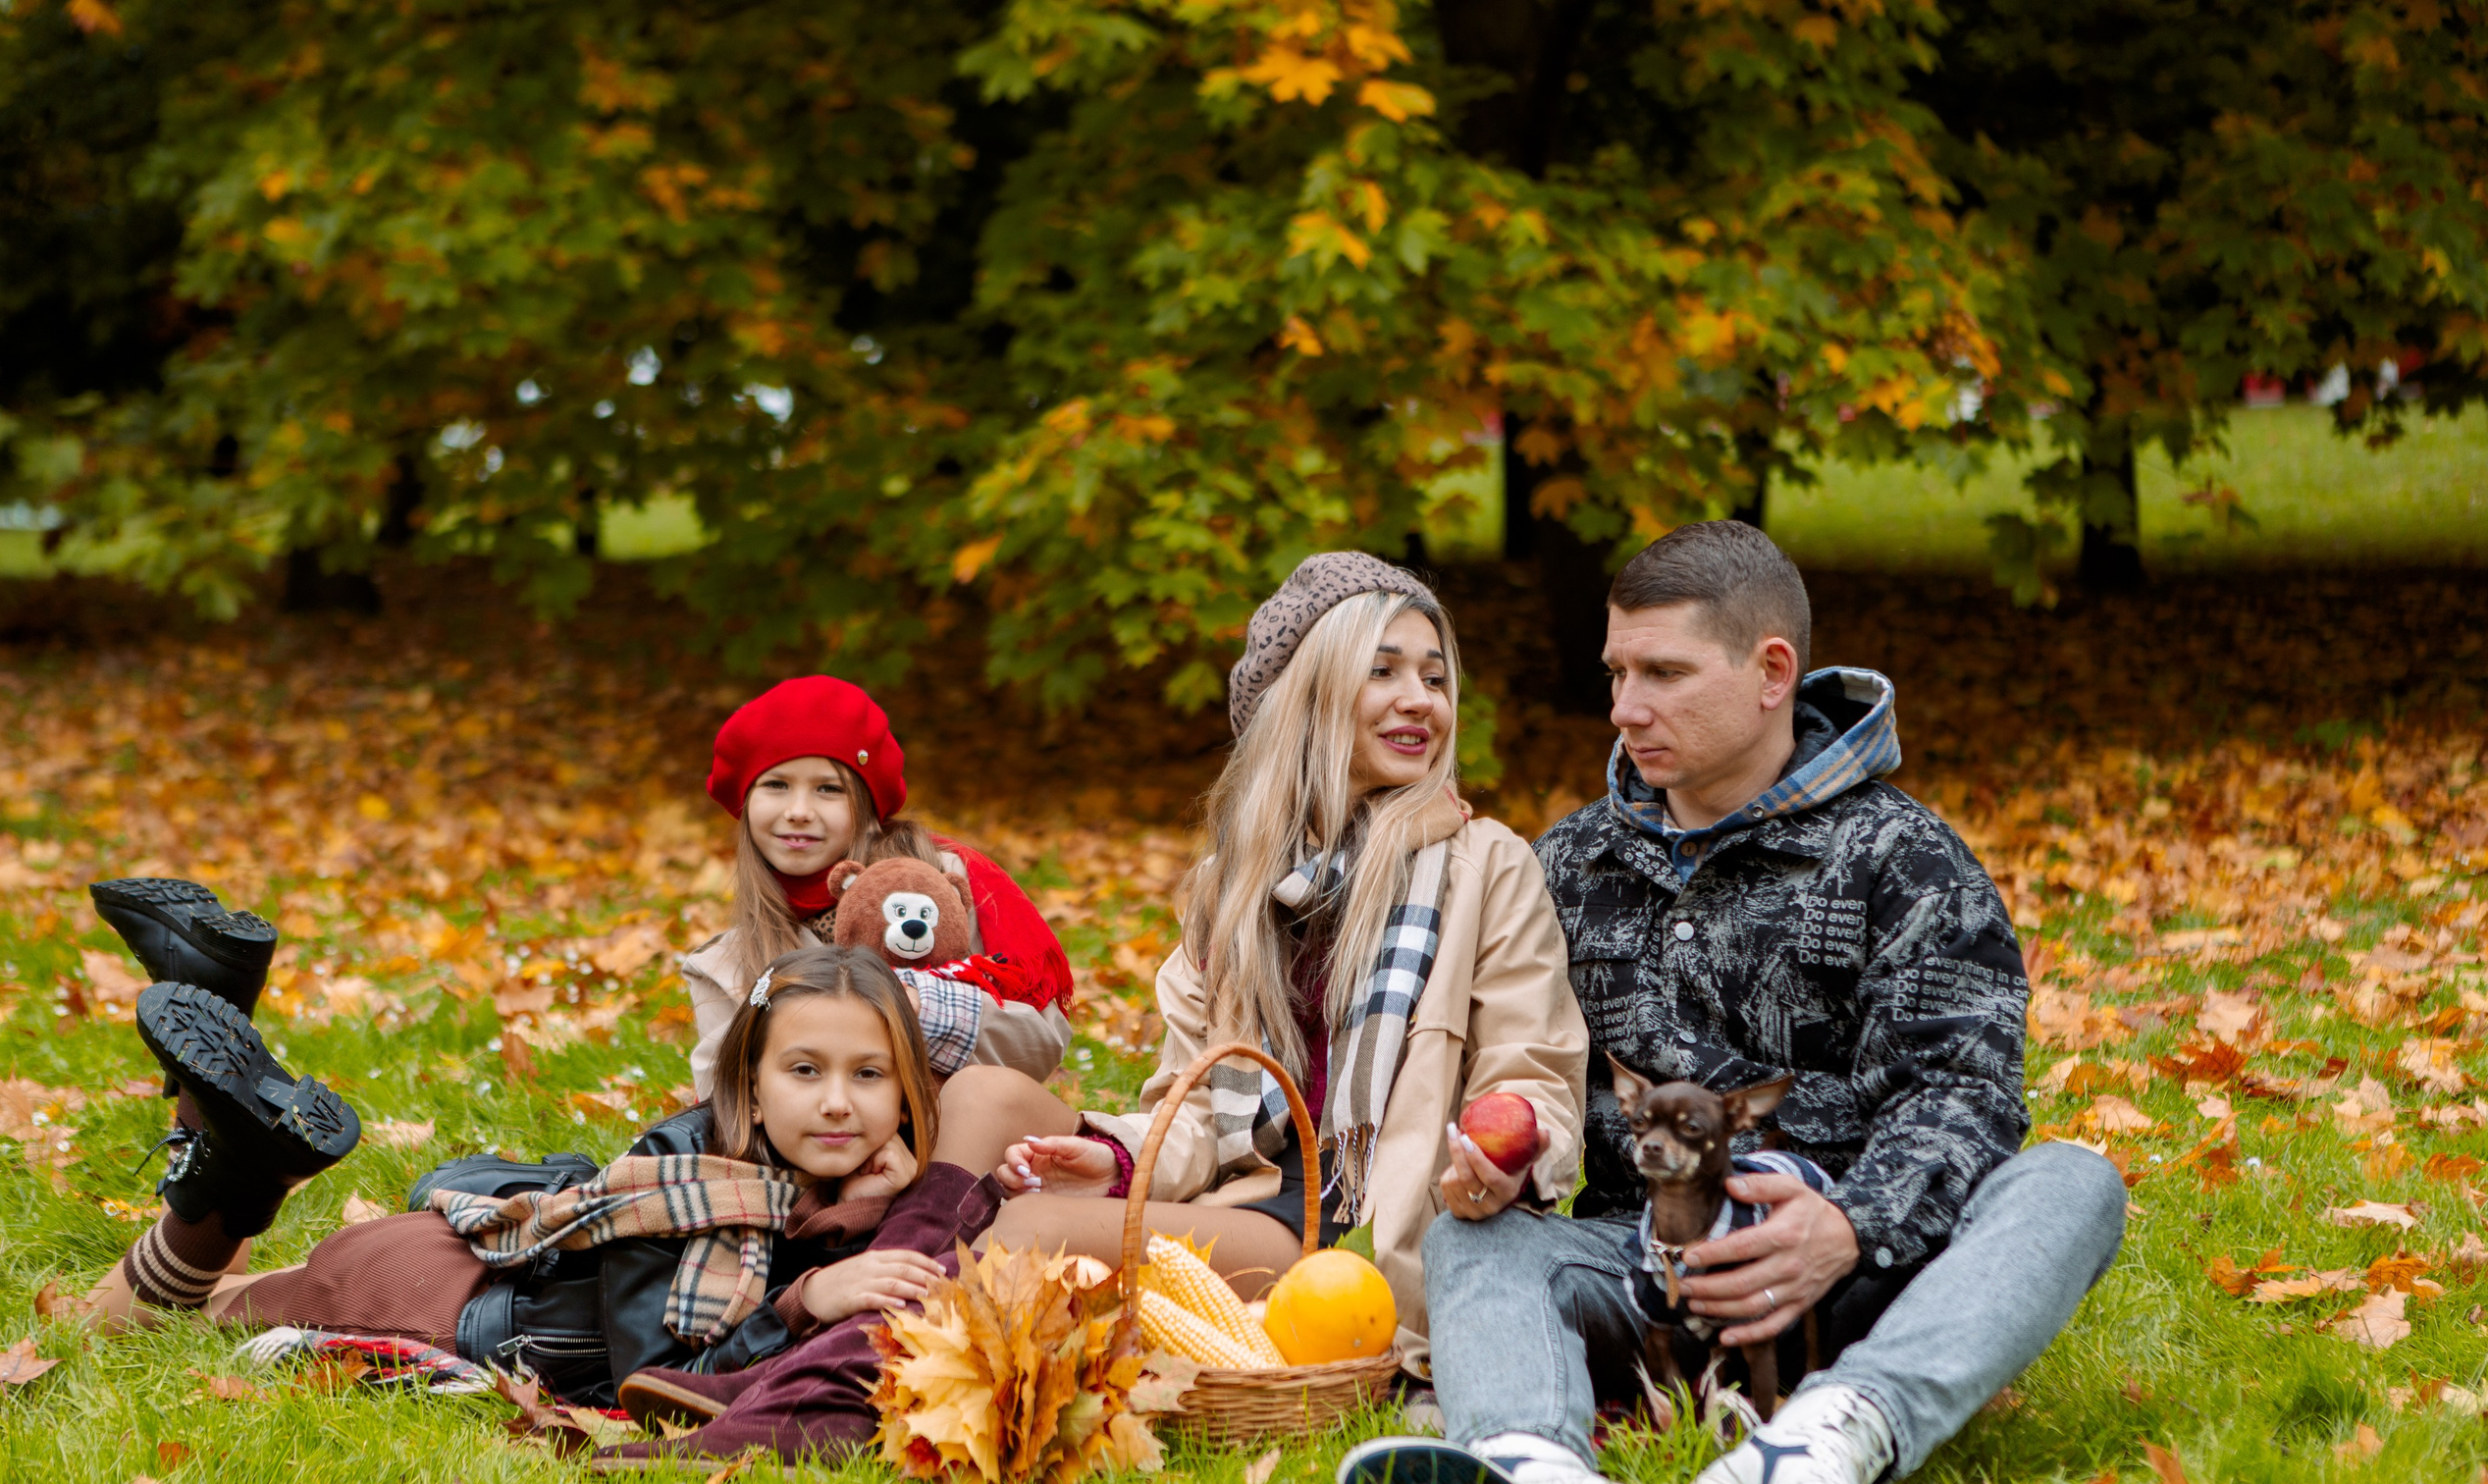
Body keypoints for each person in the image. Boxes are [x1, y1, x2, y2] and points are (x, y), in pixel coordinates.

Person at [1337, 520, 2126, 1484]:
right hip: (1642, 1273)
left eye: (1664, 673)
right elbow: (1530, 1077)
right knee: (1473, 1239)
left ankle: (1827, 1438)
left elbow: (1960, 1093)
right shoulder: (1568, 861)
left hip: (1856, 1284)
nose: (1625, 709)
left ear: (1770, 672)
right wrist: (1504, 1159)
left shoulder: (1901, 857)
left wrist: (1849, 1226)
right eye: (1617, 672)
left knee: (2072, 1183)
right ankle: (1532, 1458)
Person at [983, 553, 1590, 1371]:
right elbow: (1195, 1106)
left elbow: (1534, 1074)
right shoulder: (1233, 890)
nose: (1421, 700)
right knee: (985, 1101)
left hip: (1359, 1234)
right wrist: (1121, 1157)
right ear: (1310, 696)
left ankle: (849, 1371)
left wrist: (1506, 1159)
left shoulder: (1483, 866)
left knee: (1026, 1229)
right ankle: (847, 1319)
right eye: (1383, 671)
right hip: (1249, 1197)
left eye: (1435, 677)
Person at [78, 945, 1012, 1430]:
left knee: (215, 1298)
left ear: (907, 1092)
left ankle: (212, 1084)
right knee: (145, 1323)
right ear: (752, 1089)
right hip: (434, 1302)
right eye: (805, 1071)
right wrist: (809, 1294)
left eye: (869, 1075)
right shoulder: (685, 1188)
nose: (839, 1102)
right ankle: (227, 1175)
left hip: (483, 1265)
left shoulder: (872, 1178)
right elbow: (658, 1383)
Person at [684, 674, 1075, 1097]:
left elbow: (1039, 1044)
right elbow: (724, 1101)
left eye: (828, 789)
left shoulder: (939, 885)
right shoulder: (725, 965)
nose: (798, 811)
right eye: (776, 785)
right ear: (745, 805)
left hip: (956, 1135)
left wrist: (922, 1006)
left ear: (870, 811)